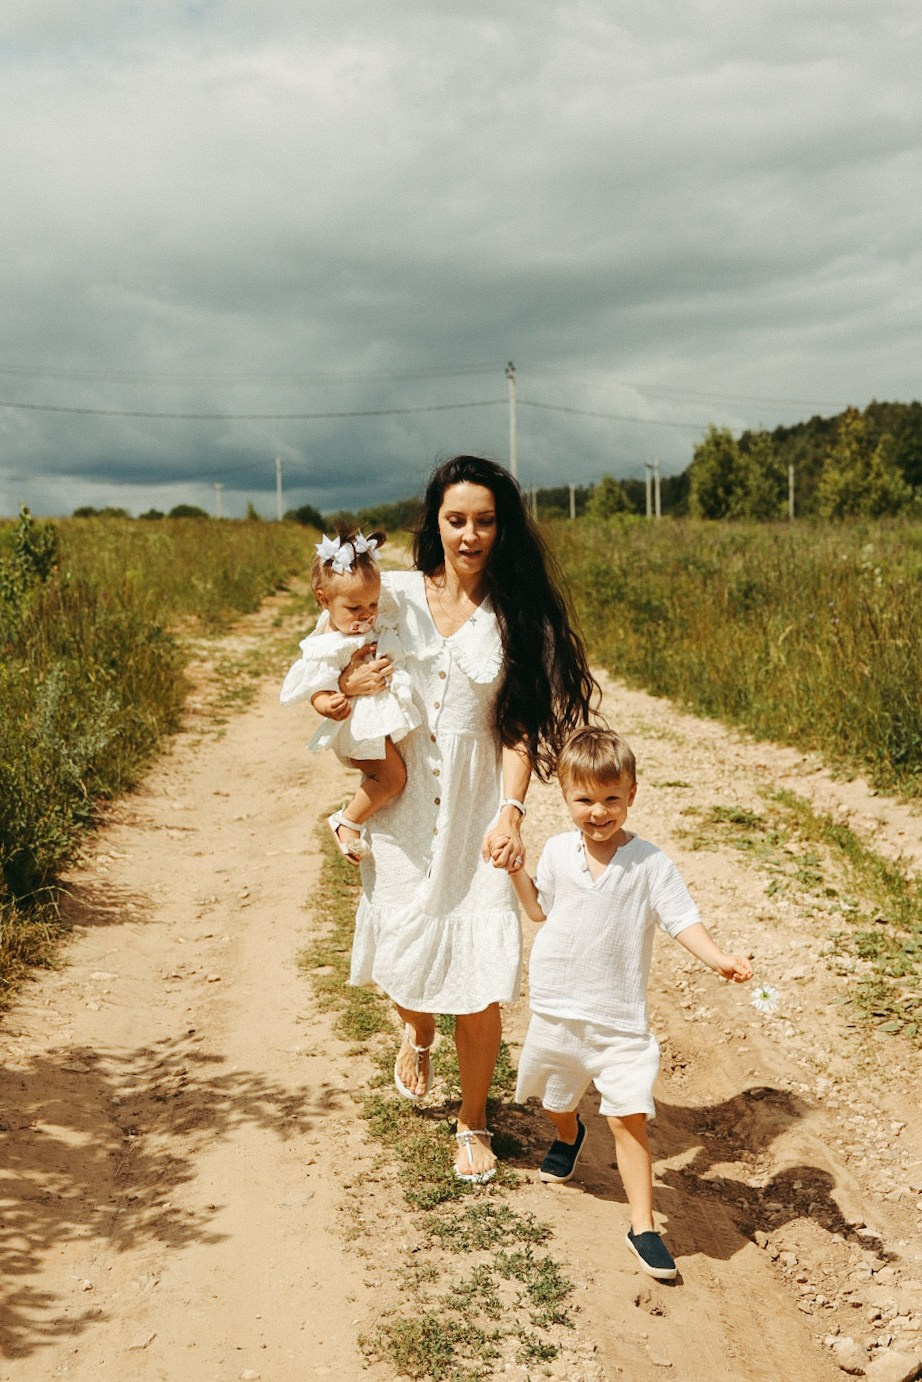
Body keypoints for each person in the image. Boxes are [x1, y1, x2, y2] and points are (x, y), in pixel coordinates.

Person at [330, 455, 598, 1182]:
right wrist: (346, 684)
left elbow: (518, 730)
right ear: (435, 523)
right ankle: (416, 1031)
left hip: (479, 811)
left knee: (481, 975)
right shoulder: (399, 599)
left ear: (501, 527)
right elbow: (336, 652)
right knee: (407, 955)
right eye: (457, 520)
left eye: (485, 520)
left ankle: (472, 1120)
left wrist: (511, 813)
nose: (471, 535)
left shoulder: (518, 616)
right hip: (408, 808)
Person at [510, 726, 753, 1279]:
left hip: (619, 1019)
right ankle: (570, 1136)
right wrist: (516, 870)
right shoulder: (554, 851)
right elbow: (538, 911)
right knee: (555, 1102)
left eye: (611, 799)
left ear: (632, 795)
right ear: (566, 798)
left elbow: (681, 919)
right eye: (584, 800)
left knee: (630, 1117)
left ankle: (643, 1227)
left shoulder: (649, 863)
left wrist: (717, 959)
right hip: (558, 1008)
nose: (598, 812)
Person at [280, 529, 419, 863]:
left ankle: (360, 823)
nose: (365, 614)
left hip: (372, 721)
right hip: (354, 726)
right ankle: (347, 822)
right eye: (354, 607)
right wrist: (327, 702)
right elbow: (314, 686)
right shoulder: (325, 645)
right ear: (323, 600)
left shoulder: (363, 622)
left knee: (392, 772)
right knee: (391, 776)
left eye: (372, 603)